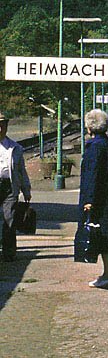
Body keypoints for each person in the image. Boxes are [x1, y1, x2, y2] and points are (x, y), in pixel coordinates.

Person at [75, 109, 108, 288]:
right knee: (104, 236)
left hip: (100, 200)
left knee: (99, 235)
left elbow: (93, 174)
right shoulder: (107, 143)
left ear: (90, 126)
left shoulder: (95, 146)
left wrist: (89, 200)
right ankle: (107, 274)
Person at [0, 112, 31, 262]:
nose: (0, 129)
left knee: (9, 219)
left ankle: (9, 252)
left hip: (9, 187)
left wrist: (26, 190)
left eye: (2, 126)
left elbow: (21, 171)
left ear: (6, 127)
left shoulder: (14, 148)